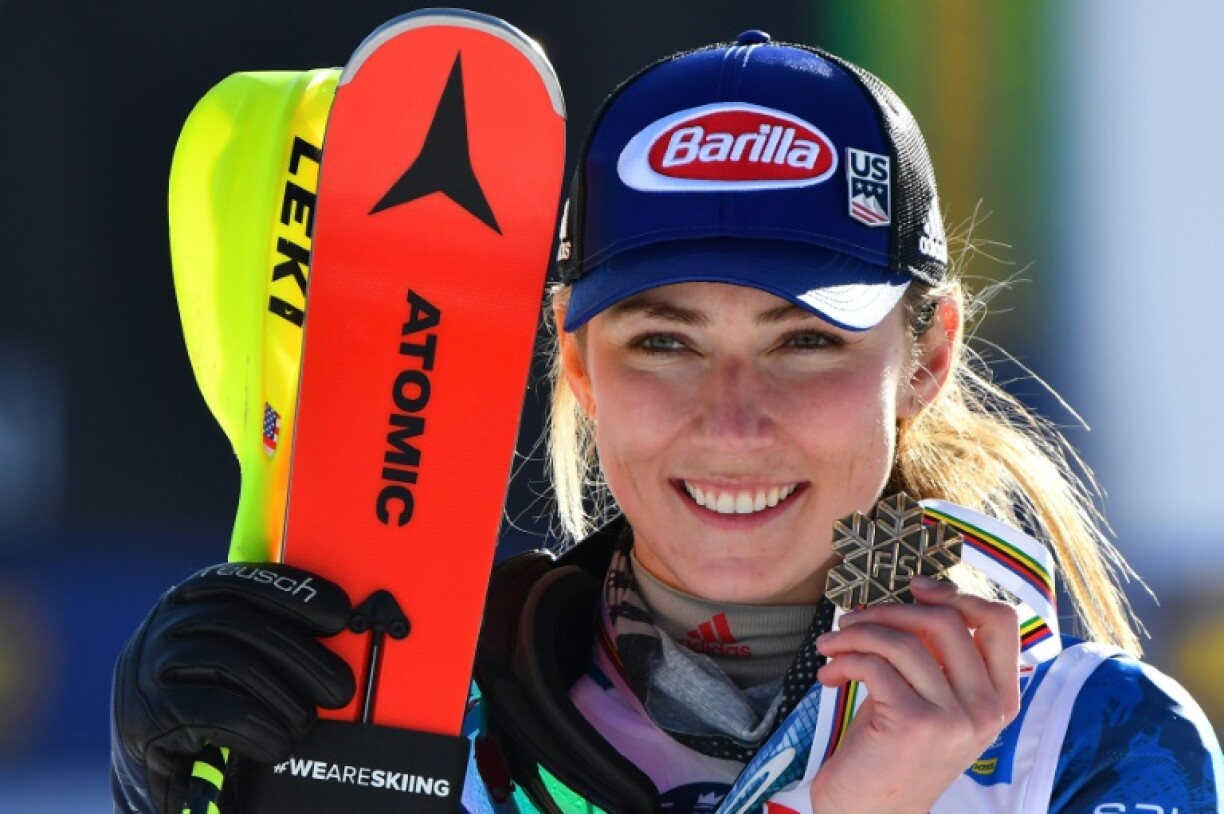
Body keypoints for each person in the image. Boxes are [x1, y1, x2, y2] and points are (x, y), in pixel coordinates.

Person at [112, 30, 1222, 814]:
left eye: (806, 341)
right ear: (577, 358)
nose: (732, 420)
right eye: (664, 340)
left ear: (925, 355)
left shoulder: (1090, 748)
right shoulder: (421, 720)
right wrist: (158, 785)